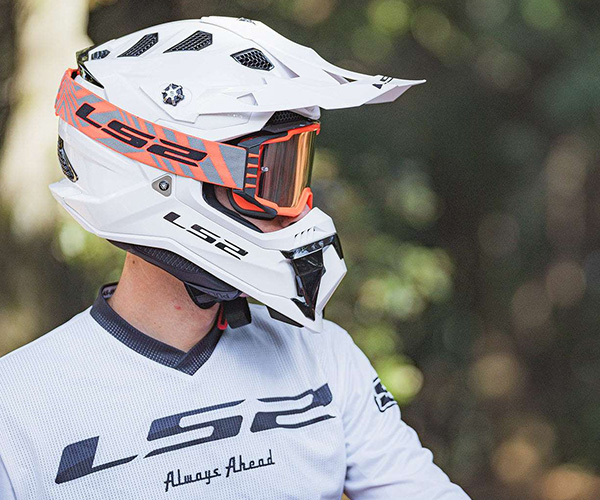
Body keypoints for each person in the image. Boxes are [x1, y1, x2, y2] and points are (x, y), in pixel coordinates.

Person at [0, 16, 470, 499]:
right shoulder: (16, 412)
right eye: (274, 180)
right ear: (163, 179)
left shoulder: (322, 356)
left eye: (297, 173)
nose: (297, 211)